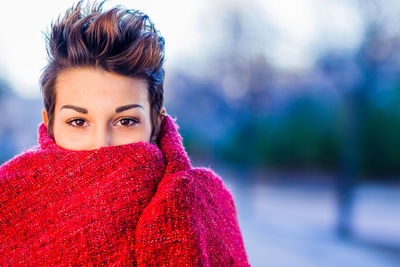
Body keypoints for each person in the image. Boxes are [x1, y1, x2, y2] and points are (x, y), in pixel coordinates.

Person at [0, 1, 249, 265]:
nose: (101, 145)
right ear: (49, 124)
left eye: (126, 121)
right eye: (78, 122)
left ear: (155, 122)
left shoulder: (202, 204)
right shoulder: (8, 204)